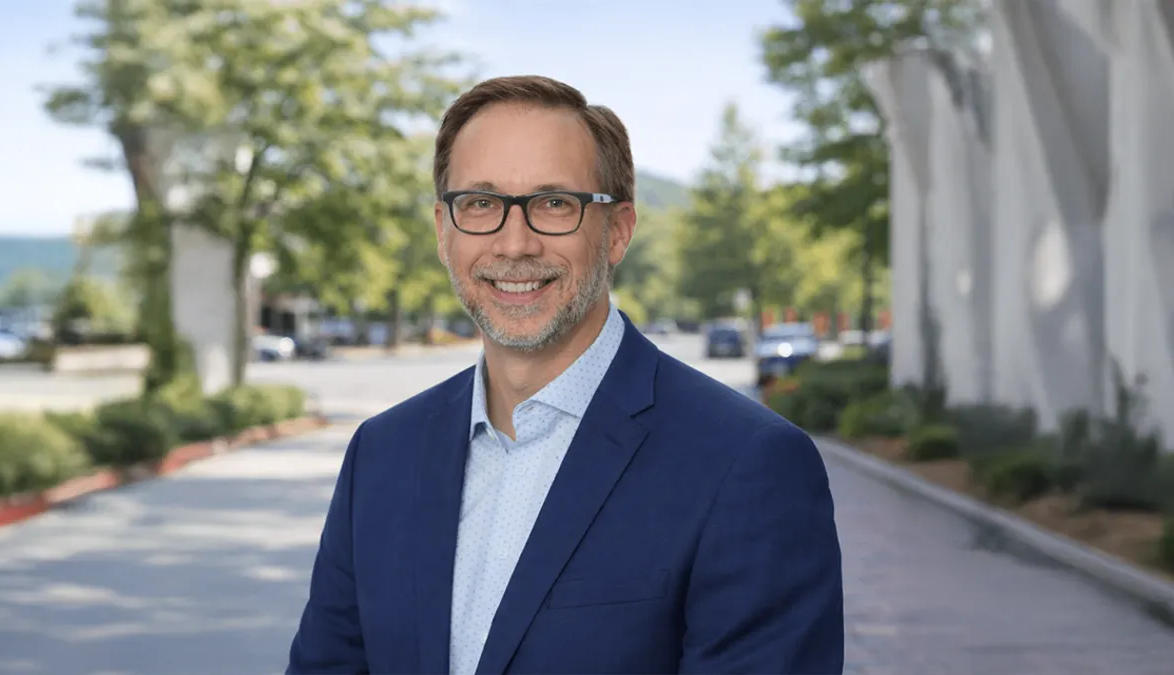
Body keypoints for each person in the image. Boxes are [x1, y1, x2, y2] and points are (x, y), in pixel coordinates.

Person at [286, 74, 844, 675]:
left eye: (555, 203)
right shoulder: (382, 454)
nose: (515, 242)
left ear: (618, 232)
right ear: (443, 232)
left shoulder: (748, 465)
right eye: (480, 203)